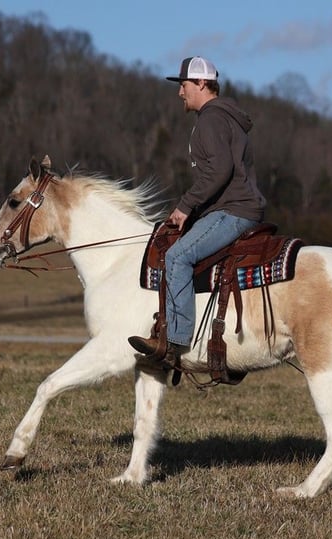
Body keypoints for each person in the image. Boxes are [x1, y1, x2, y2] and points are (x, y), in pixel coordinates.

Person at [129, 56, 266, 368]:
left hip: (233, 210)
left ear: (202, 84)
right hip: (234, 207)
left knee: (178, 256)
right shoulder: (223, 117)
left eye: (184, 85)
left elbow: (219, 170)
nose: (180, 92)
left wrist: (185, 206)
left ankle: (175, 342)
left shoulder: (211, 119)